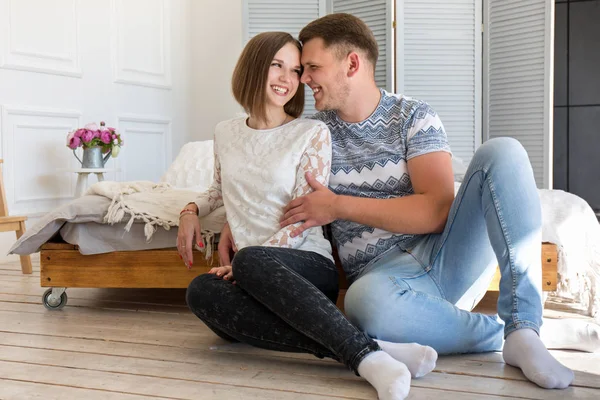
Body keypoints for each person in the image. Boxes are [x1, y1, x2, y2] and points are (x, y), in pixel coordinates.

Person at [218, 14, 600, 393]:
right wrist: (228, 222)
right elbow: (270, 182)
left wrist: (337, 205)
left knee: (504, 151)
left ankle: (525, 325)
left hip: (448, 256)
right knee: (363, 304)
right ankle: (510, 337)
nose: (303, 79)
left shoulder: (413, 116)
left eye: (312, 67)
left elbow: (436, 211)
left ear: (351, 64)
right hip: (382, 280)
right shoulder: (315, 133)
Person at [179, 31, 437, 400]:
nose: (288, 78)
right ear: (253, 66)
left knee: (251, 260)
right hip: (254, 274)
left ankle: (364, 359)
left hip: (304, 264)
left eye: (296, 70)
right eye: (276, 66)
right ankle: (370, 348)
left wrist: (247, 264)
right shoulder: (225, 131)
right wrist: (190, 211)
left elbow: (305, 215)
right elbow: (218, 190)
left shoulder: (311, 132)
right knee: (200, 292)